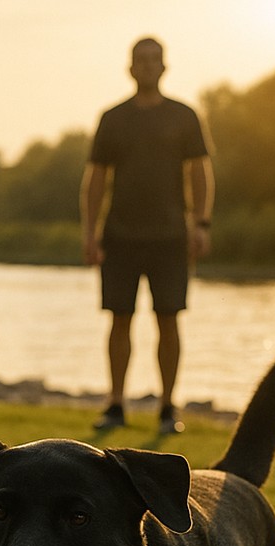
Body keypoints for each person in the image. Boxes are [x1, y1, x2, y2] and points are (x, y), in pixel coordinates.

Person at [81, 36, 214, 435]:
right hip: (119, 236)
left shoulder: (184, 116)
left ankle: (167, 407)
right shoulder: (113, 118)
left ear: (164, 66)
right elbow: (96, 179)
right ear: (130, 67)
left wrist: (202, 223)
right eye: (141, 59)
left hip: (171, 236)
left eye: (154, 59)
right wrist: (90, 232)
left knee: (168, 319)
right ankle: (116, 404)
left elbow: (200, 171)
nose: (148, 65)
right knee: (119, 319)